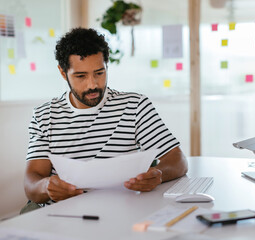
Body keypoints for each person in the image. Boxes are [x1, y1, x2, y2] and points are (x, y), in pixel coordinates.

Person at [23, 28, 188, 210]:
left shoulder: (135, 106)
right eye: (81, 76)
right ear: (63, 73)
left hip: (122, 211)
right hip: (62, 214)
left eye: (99, 73)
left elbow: (178, 160)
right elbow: (32, 182)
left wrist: (158, 174)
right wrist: (46, 187)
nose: (93, 84)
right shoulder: (44, 115)